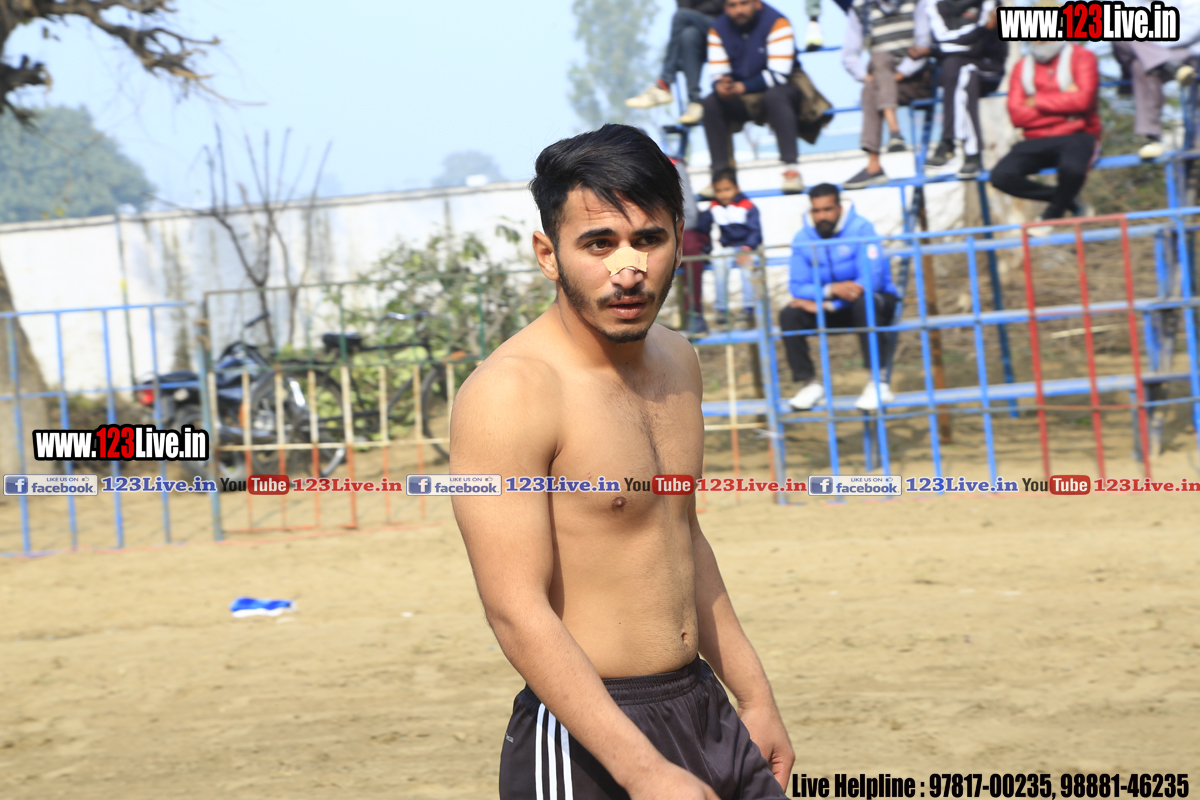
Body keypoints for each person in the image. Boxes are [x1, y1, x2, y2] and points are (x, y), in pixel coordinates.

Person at [450, 124, 794, 800]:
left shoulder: (678, 360)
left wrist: (754, 696)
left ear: (678, 240)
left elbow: (680, 533)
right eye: (599, 244)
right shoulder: (511, 392)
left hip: (703, 707)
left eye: (648, 239)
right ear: (548, 255)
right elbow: (515, 609)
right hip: (586, 738)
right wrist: (642, 771)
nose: (627, 268)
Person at [781, 183, 899, 411]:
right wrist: (830, 291)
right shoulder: (802, 238)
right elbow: (797, 286)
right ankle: (809, 384)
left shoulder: (862, 228)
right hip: (830, 304)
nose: (822, 216)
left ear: (839, 208)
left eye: (828, 209)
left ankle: (878, 382)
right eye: (816, 211)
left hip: (872, 301)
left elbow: (871, 280)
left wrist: (830, 305)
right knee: (790, 314)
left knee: (866, 303)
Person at [702, 0, 808, 194]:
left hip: (782, 89)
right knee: (710, 102)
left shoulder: (778, 22)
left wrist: (741, 87)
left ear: (757, 3)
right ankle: (721, 176)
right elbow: (717, 72)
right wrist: (721, 85)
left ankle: (791, 170)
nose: (738, 10)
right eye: (732, 5)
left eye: (744, 3)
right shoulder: (718, 28)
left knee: (776, 96)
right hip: (740, 95)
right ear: (725, 8)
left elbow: (779, 74)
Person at [989, 40, 1100, 223]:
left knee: (1072, 170)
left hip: (1076, 134)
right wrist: (1066, 107)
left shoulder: (1082, 57)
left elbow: (1083, 101)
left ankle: (1050, 215)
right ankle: (1067, 200)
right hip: (1035, 138)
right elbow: (1017, 116)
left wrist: (1036, 101)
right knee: (1001, 176)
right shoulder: (1022, 66)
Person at [841, 0, 934, 189]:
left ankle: (876, 160)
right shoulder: (861, 8)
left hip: (914, 78)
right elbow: (849, 55)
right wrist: (866, 77)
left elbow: (923, 45)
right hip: (883, 81)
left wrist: (900, 74)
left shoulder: (918, 3)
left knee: (876, 72)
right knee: (875, 74)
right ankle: (894, 134)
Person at [921, 0, 1005, 179]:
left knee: (958, 68)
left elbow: (975, 47)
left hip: (989, 68)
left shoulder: (990, 3)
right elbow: (943, 42)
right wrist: (982, 30)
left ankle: (948, 143)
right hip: (956, 73)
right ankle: (971, 152)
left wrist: (937, 50)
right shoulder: (934, 4)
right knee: (961, 71)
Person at [1111, 0, 1200, 160]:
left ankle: (1151, 138)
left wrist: (1152, 46)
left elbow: (1193, 28)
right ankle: (1168, 66)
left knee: (1142, 63)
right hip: (1153, 56)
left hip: (1184, 54)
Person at [626, 0, 726, 125]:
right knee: (689, 35)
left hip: (726, 25)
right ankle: (695, 101)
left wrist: (696, 14)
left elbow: (724, 4)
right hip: (700, 32)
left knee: (681, 16)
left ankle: (664, 84)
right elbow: (684, 6)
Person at [697, 168, 761, 327]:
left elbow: (756, 231)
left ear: (737, 189)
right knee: (718, 264)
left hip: (748, 246)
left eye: (727, 189)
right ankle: (722, 309)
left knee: (747, 266)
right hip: (728, 247)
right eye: (718, 191)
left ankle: (748, 308)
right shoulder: (714, 207)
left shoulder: (748, 206)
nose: (723, 194)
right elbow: (702, 225)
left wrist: (747, 248)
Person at [675, 153, 713, 335]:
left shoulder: (674, 165)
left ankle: (694, 312)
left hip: (674, 227)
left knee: (689, 246)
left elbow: (689, 215)